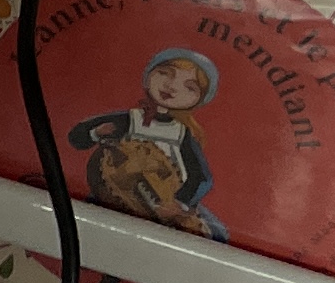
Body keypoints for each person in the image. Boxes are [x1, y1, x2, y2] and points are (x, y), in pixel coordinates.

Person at [73, 45, 227, 239]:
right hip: (119, 196)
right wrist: (96, 133)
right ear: (149, 77)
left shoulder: (181, 134)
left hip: (164, 200)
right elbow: (77, 136)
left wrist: (179, 203)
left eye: (189, 87)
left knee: (217, 233)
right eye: (165, 74)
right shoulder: (132, 119)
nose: (171, 86)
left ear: (198, 99)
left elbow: (202, 178)